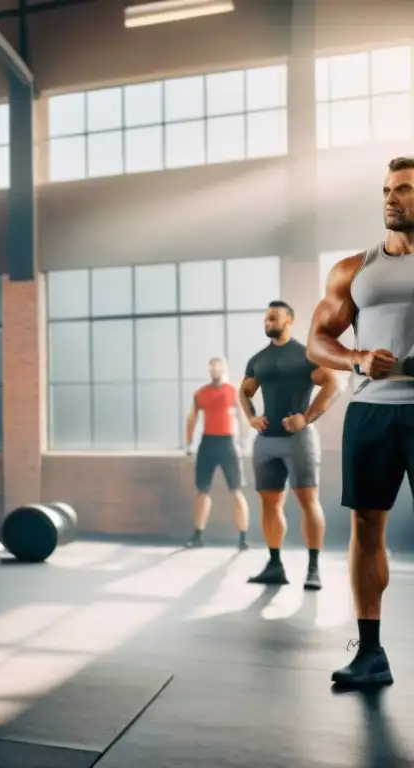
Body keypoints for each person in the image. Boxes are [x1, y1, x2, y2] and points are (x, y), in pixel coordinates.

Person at [308, 156, 414, 688]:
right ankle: (370, 653)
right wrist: (356, 359)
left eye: (404, 189)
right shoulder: (355, 269)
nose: (391, 199)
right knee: (366, 527)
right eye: (387, 190)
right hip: (371, 411)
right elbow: (318, 340)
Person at [238, 301, 340, 589]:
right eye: (266, 317)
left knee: (308, 503)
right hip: (266, 442)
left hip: (299, 441)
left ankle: (313, 568)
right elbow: (243, 392)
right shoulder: (258, 359)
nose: (268, 321)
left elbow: (334, 383)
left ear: (289, 320)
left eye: (273, 316)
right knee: (270, 504)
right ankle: (274, 565)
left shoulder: (305, 355)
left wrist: (306, 418)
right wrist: (251, 417)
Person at [184, 356, 250, 549]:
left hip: (228, 444)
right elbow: (191, 419)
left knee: (236, 491)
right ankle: (198, 536)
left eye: (218, 367)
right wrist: (188, 444)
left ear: (225, 369)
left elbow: (243, 416)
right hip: (208, 443)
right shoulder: (201, 393)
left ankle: (243, 538)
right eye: (212, 367)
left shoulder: (233, 391)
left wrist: (244, 441)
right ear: (209, 370)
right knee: (202, 491)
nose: (215, 370)